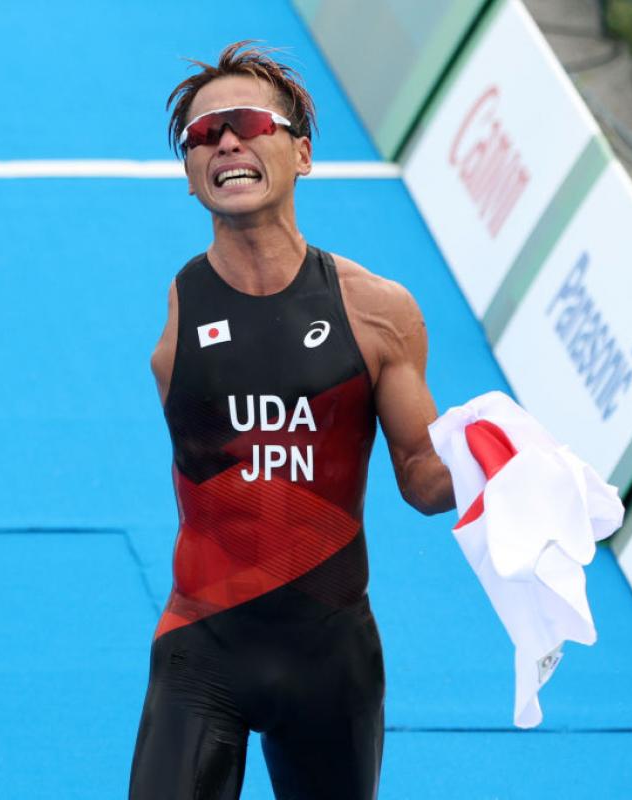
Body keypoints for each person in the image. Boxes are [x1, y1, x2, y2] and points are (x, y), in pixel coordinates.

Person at [129, 41, 455, 800]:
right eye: (204, 135)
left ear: (302, 154)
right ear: (190, 175)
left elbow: (422, 480)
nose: (226, 142)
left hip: (331, 657)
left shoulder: (377, 312)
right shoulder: (180, 316)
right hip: (201, 648)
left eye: (247, 122)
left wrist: (495, 462)